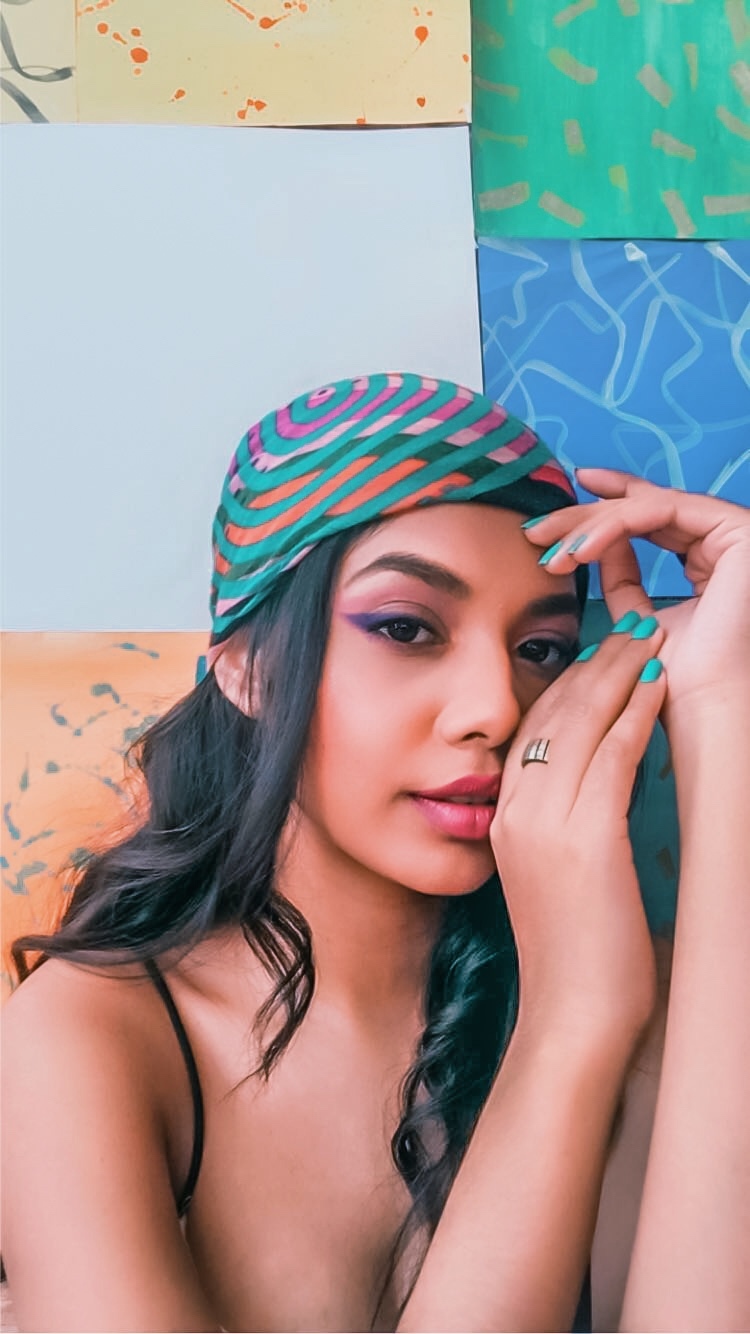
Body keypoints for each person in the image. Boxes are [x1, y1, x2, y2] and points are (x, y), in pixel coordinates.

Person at [2, 373, 748, 1334]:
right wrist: (567, 1026)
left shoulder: (631, 992)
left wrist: (722, 711)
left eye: (542, 649)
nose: (494, 709)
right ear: (246, 667)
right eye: (407, 628)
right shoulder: (92, 1039)